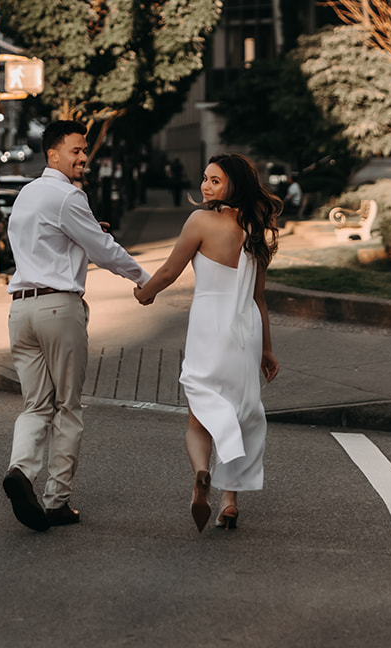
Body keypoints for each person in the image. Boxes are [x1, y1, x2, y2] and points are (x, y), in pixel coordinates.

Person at [2, 118, 150, 532]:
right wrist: (144, 279)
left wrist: (83, 237)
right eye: (76, 151)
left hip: (20, 310)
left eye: (85, 150)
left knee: (35, 404)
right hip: (59, 310)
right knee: (68, 405)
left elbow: (47, 240)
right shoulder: (69, 197)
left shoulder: (28, 194)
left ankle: (20, 472)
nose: (84, 157)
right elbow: (103, 250)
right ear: (53, 154)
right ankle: (56, 501)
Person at [135, 152, 280, 532]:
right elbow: (259, 298)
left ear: (233, 184)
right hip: (245, 329)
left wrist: (145, 294)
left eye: (214, 180)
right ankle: (229, 501)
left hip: (209, 325)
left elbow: (170, 269)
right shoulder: (255, 229)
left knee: (199, 415)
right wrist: (266, 349)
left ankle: (202, 472)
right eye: (204, 178)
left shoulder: (200, 221)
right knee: (239, 409)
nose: (205, 186)